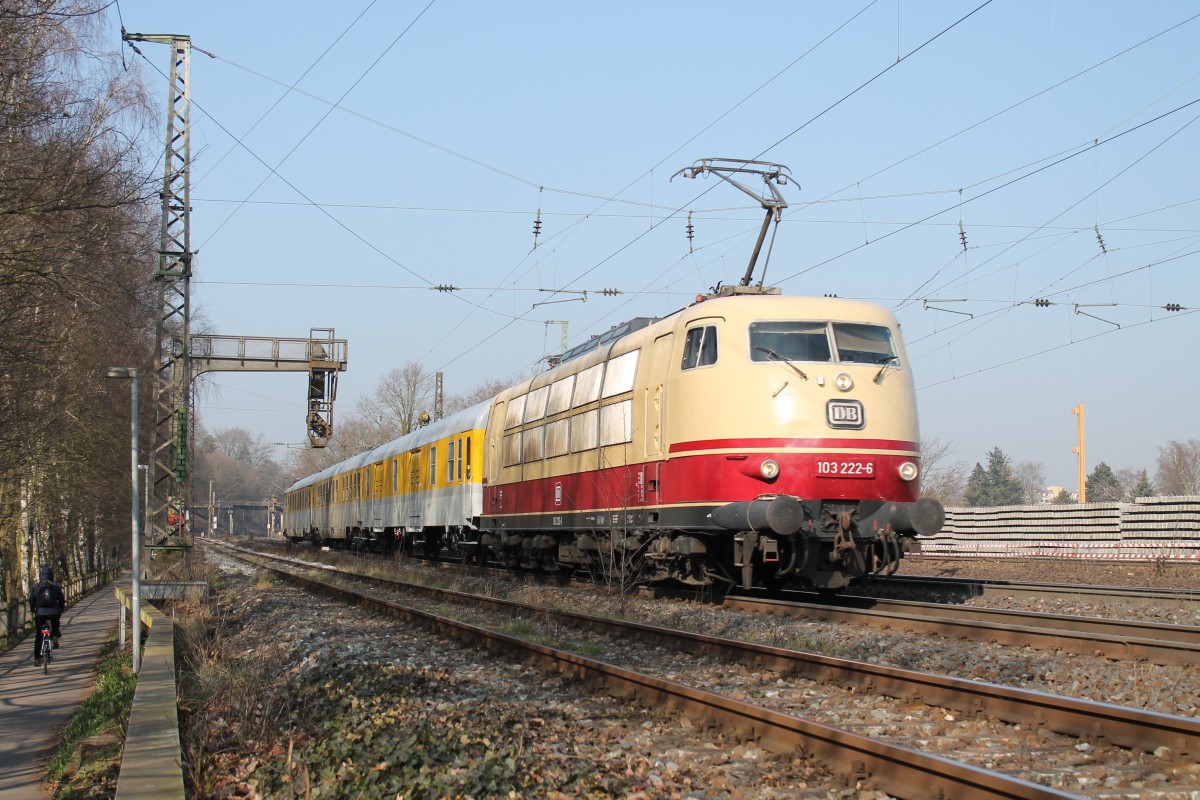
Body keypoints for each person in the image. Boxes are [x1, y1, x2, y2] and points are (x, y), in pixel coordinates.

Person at [29, 566, 65, 665]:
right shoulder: (55, 586)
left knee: (39, 636)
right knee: (55, 623)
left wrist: (32, 610)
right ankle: (54, 636)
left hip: (40, 613)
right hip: (54, 611)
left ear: (41, 576)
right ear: (51, 576)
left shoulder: (37, 587)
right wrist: (61, 609)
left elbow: (31, 600)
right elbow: (61, 600)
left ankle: (37, 658)